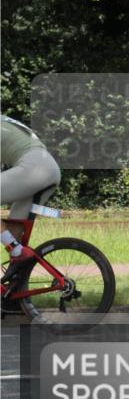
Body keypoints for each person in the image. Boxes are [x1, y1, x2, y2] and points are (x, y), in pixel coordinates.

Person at [1, 115, 62, 311]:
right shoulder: (5, 123)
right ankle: (14, 294)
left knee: (13, 245)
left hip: (34, 170)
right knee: (12, 229)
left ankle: (16, 250)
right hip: (46, 168)